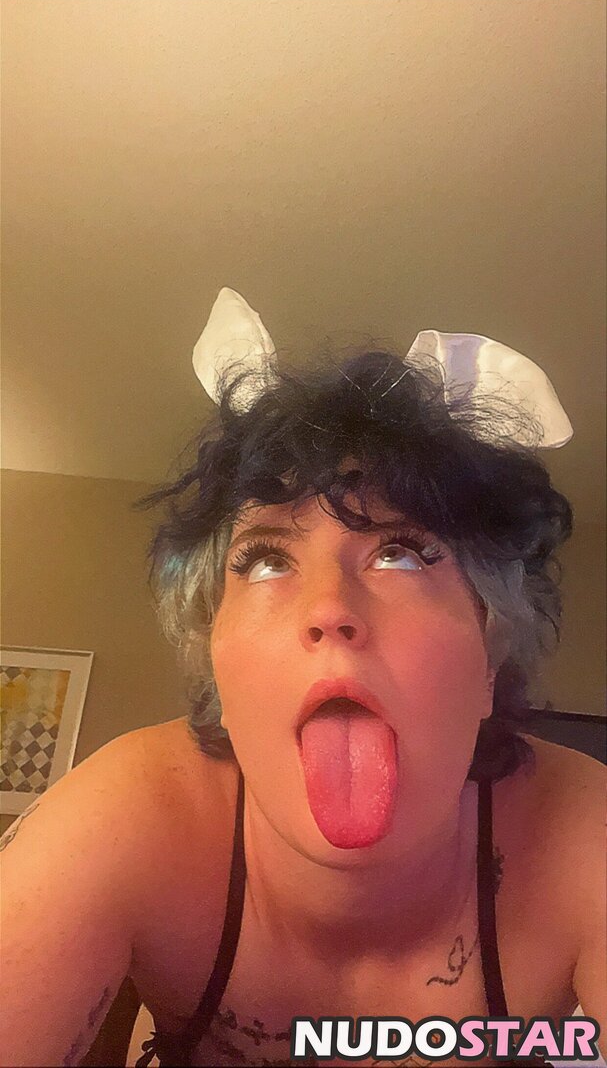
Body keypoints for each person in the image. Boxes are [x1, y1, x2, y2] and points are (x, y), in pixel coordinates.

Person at [1, 291, 605, 1068]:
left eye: (400, 554)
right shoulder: (126, 817)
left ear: (488, 656)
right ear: (214, 660)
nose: (328, 609)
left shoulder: (581, 837)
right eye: (264, 559)